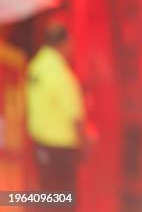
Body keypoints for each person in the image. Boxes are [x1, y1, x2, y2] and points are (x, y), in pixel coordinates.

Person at [26, 22, 84, 200]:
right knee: (63, 201)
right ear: (62, 44)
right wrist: (84, 144)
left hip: (38, 145)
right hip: (61, 149)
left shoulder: (34, 67)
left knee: (46, 198)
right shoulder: (60, 73)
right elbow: (75, 117)